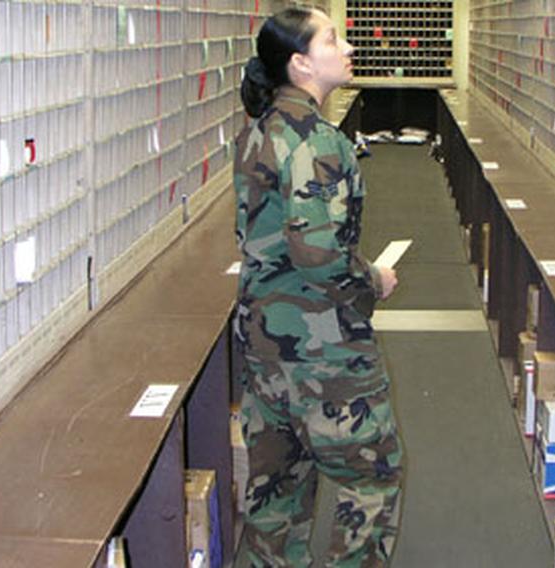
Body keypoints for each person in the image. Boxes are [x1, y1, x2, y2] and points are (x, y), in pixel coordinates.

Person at [232, 7, 404, 567]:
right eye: (333, 37)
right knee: (372, 481)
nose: (347, 44)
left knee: (276, 494)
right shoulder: (317, 143)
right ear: (302, 62)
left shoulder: (259, 130)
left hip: (266, 345)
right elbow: (319, 256)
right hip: (323, 348)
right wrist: (373, 279)